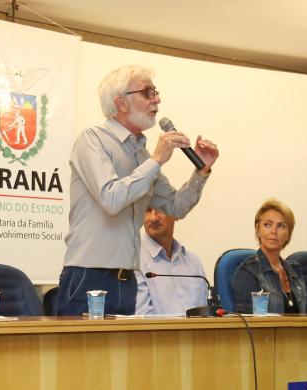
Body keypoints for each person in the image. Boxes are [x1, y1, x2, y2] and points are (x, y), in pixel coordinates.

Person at [57, 65, 219, 316]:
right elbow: (111, 199)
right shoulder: (92, 140)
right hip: (88, 277)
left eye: (155, 92)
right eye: (147, 92)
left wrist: (201, 171)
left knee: (124, 346)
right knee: (84, 345)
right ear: (121, 103)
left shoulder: (142, 154)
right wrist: (157, 160)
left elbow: (175, 207)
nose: (157, 99)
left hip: (128, 280)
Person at [231, 199, 307, 314]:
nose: (273, 231)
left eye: (281, 226)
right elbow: (246, 321)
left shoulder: (295, 270)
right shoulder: (247, 272)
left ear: (288, 234)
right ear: (258, 230)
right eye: (267, 225)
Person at [134, 207, 208, 315]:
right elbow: (144, 321)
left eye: (160, 208)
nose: (153, 218)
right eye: (147, 210)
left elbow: (206, 316)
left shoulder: (193, 262)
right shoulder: (133, 261)